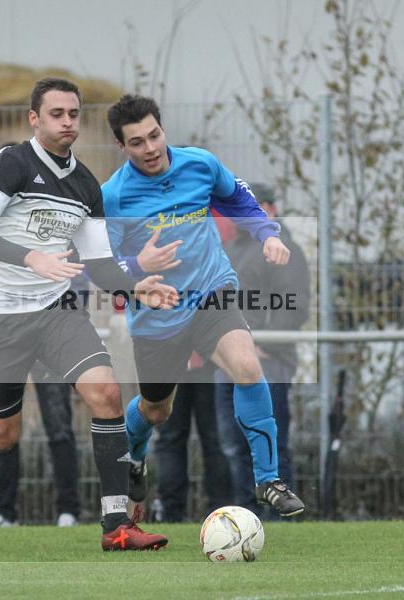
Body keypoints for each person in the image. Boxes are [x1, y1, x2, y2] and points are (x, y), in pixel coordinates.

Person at [0, 78, 176, 551]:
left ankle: (117, 526)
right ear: (34, 119)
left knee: (107, 393)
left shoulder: (85, 185)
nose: (67, 122)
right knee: (2, 435)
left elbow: (99, 264)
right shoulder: (11, 163)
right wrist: (31, 257)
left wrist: (135, 287)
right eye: (57, 114)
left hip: (56, 309)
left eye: (74, 114)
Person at [101, 94, 305, 517]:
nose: (150, 148)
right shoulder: (113, 196)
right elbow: (98, 266)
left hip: (212, 292)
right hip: (158, 313)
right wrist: (139, 267)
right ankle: (134, 454)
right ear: (121, 146)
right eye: (137, 142)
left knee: (246, 366)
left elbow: (239, 200)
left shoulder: (199, 164)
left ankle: (268, 480)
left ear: (163, 128)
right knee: (157, 409)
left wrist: (267, 234)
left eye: (154, 135)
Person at [214, 183, 310, 517]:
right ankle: (247, 519)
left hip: (269, 363)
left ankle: (282, 521)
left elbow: (295, 307)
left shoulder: (285, 249)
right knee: (234, 446)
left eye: (252, 205)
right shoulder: (228, 249)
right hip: (226, 363)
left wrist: (259, 343)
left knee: (271, 445)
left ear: (270, 208)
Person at [0, 363, 82, 528]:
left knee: (59, 429)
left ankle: (69, 511)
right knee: (3, 429)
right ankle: (4, 513)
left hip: (47, 352)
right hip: (10, 351)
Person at [153, 354, 232, 522]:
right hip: (210, 360)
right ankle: (221, 512)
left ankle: (169, 513)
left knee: (170, 440)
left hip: (169, 361)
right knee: (215, 440)